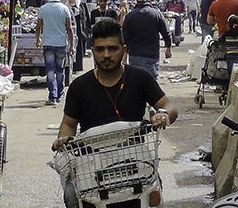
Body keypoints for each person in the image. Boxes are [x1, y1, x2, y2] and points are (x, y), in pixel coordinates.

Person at [52, 17, 175, 150]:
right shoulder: (79, 86)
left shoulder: (140, 78)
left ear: (123, 50)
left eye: (112, 49)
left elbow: (168, 106)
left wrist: (164, 115)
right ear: (93, 52)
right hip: (90, 162)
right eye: (100, 49)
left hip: (137, 160)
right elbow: (69, 124)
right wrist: (63, 140)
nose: (106, 55)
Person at [122, 0, 172, 80]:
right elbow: (166, 32)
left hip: (135, 55)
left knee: (136, 83)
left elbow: (125, 37)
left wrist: (124, 56)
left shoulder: (130, 16)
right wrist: (168, 48)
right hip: (152, 55)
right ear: (149, 0)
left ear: (137, 1)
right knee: (151, 85)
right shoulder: (156, 14)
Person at [37, 0, 73, 105]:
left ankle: (52, 96)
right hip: (61, 44)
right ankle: (59, 94)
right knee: (60, 70)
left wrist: (38, 39)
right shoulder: (65, 9)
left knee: (50, 71)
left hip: (47, 43)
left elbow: (38, 26)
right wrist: (71, 45)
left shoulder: (43, 9)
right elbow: (69, 29)